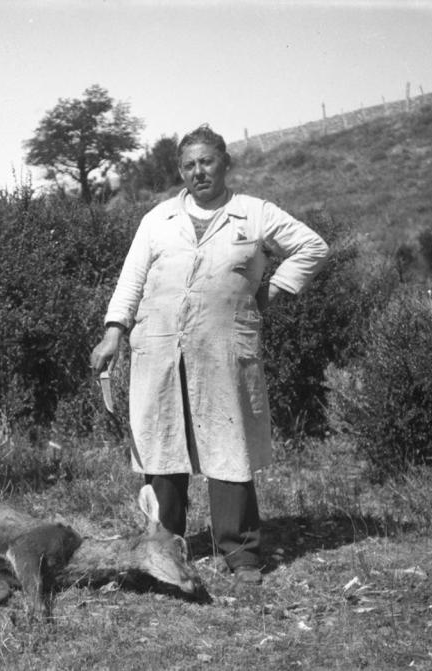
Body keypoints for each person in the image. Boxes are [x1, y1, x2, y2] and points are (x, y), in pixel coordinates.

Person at [90, 124, 328, 584]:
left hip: (223, 348)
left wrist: (273, 290)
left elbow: (313, 247)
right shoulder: (157, 219)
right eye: (189, 165)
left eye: (207, 161)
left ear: (225, 163)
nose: (198, 172)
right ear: (180, 170)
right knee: (162, 444)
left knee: (227, 441)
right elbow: (131, 282)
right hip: (158, 346)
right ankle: (163, 545)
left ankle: (241, 554)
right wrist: (113, 333)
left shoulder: (254, 214)